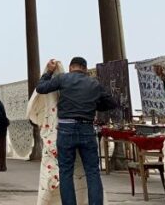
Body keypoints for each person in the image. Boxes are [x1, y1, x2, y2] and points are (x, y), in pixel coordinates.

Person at [36, 57, 117, 205]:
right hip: (87, 128)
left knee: (66, 172)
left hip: (66, 129)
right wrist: (93, 104)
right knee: (92, 171)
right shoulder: (94, 83)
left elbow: (41, 88)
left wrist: (49, 71)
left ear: (71, 67)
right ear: (85, 69)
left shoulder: (63, 79)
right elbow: (111, 103)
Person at [28, 60, 90, 205]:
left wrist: (48, 73)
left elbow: (39, 92)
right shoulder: (73, 89)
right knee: (76, 174)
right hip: (75, 134)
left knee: (56, 174)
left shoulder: (50, 90)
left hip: (55, 136)